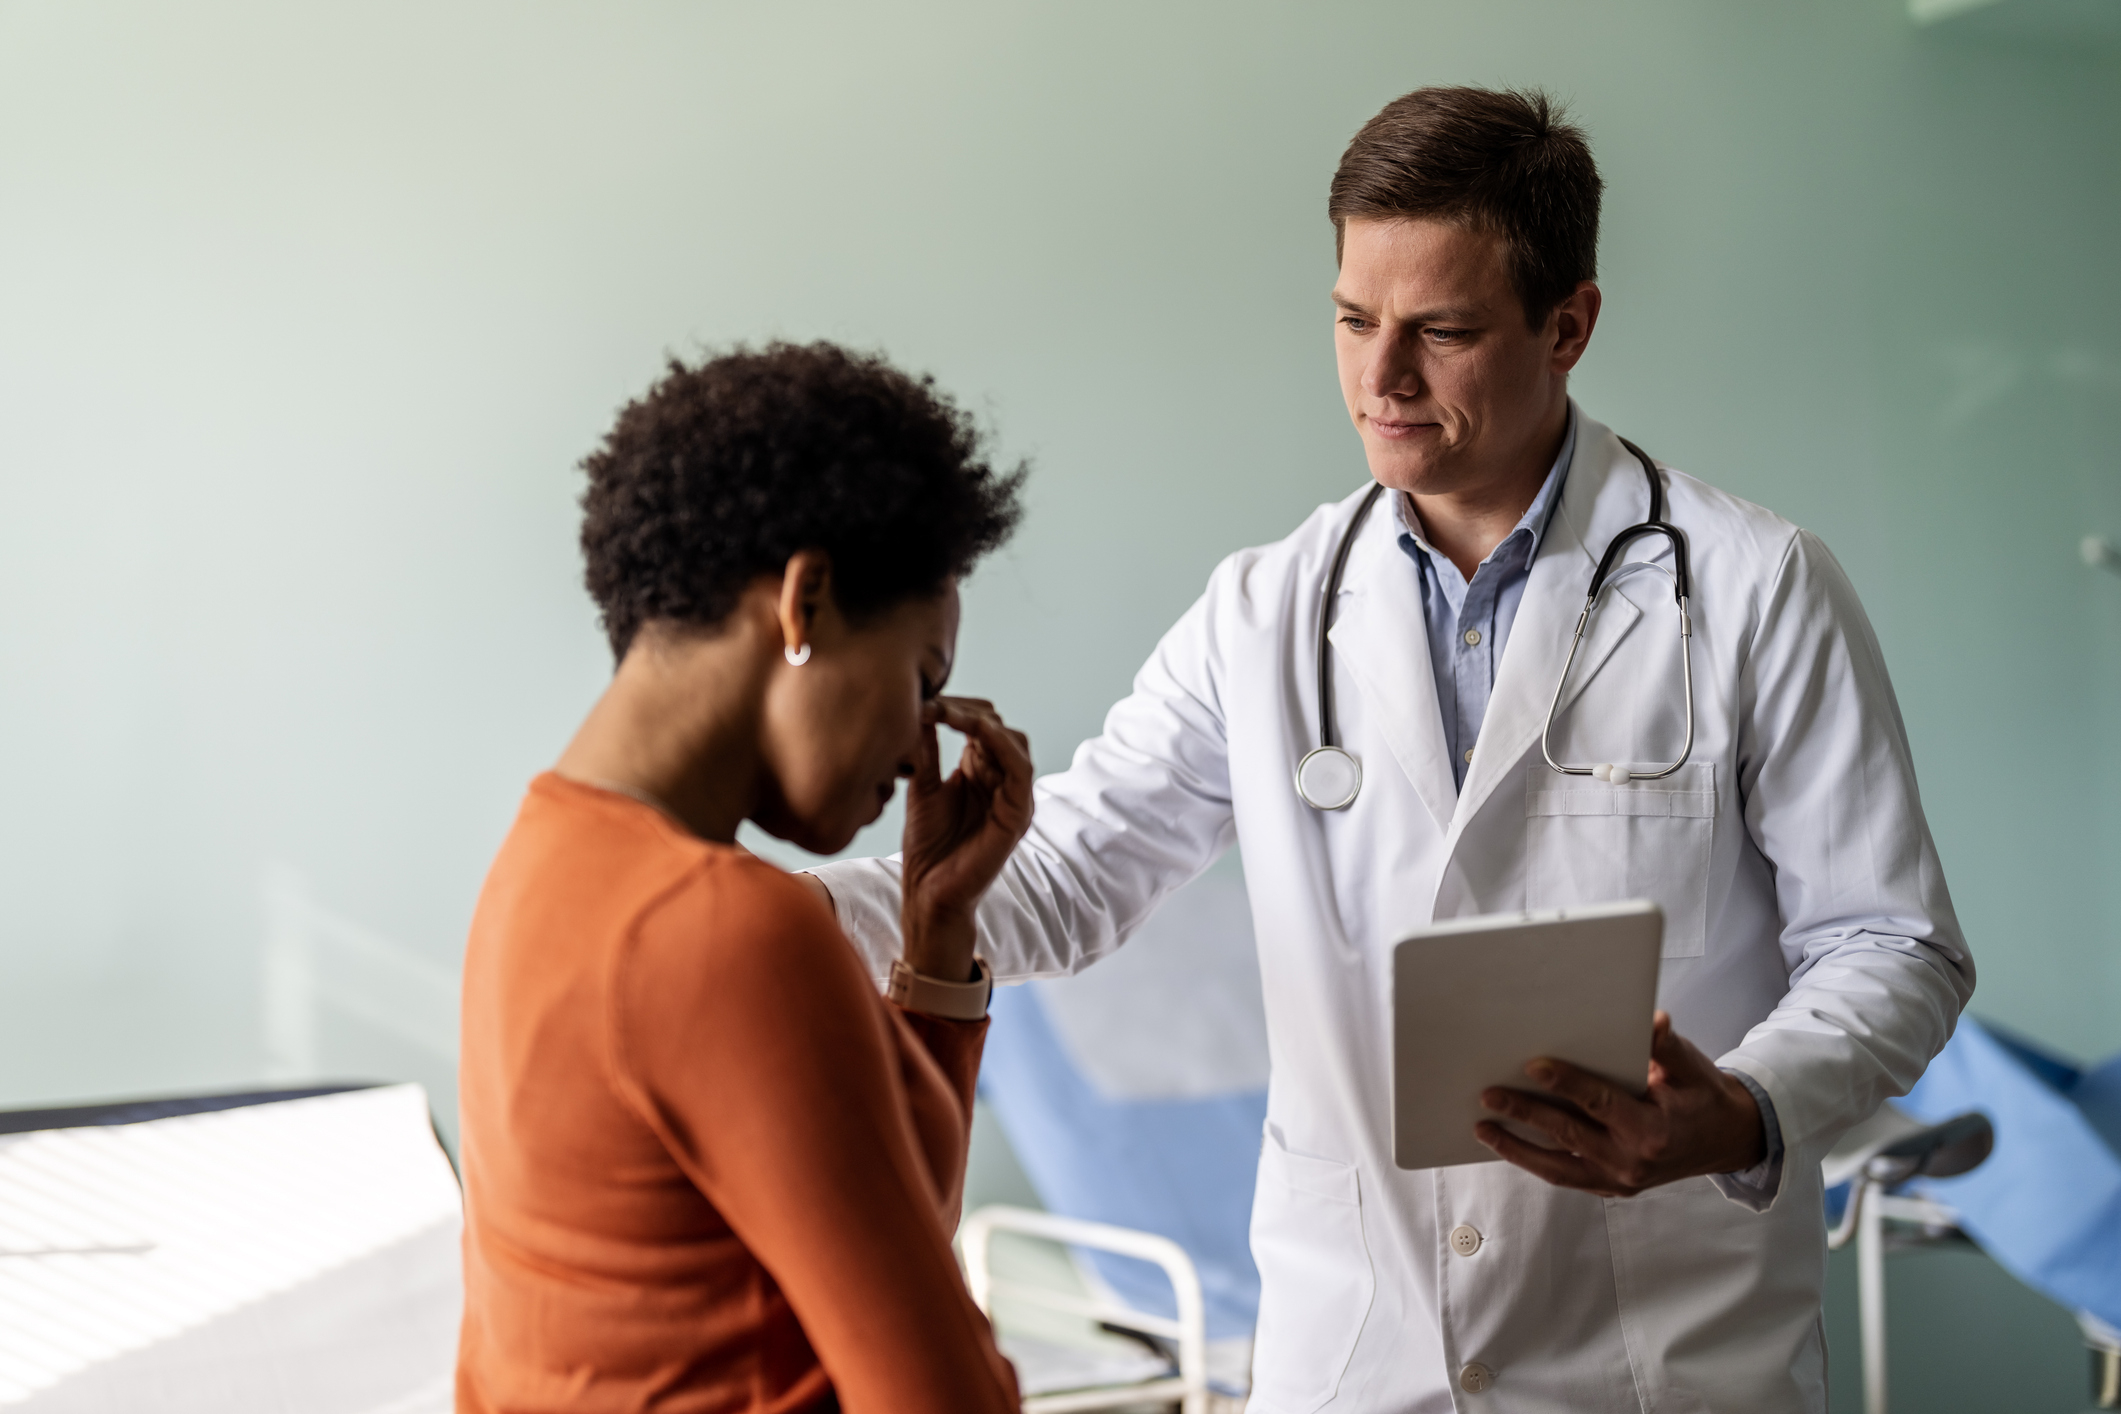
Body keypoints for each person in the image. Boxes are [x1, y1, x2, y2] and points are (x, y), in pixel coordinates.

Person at [805, 88, 1975, 1413]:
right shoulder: (1267, 610)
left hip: (1664, 1363)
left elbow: (1895, 943)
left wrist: (1745, 1109)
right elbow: (1070, 868)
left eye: (1444, 331)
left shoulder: (1755, 586)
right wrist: (767, 912)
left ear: (1569, 324)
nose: (1381, 378)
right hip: (1357, 1364)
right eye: (1355, 321)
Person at [456, 342, 1038, 1414]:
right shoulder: (724, 928)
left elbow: (877, 1219)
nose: (922, 749)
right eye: (922, 678)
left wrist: (937, 932)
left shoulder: (542, 862)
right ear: (804, 603)